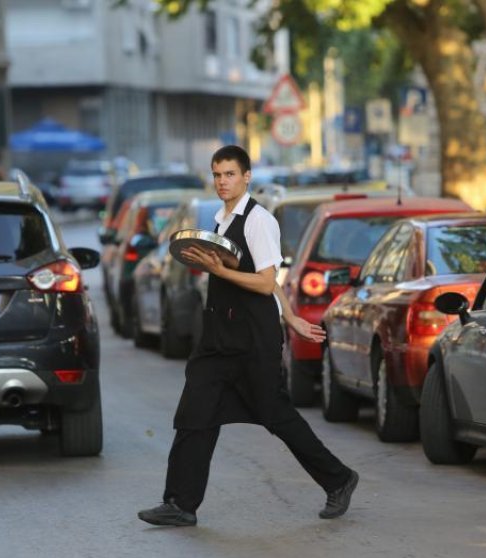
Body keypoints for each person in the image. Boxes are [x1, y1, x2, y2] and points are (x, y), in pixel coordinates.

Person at [138, 145, 358, 527]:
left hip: (253, 341)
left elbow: (266, 281)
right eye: (217, 174)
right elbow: (272, 286)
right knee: (194, 415)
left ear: (246, 176)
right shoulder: (223, 220)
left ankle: (339, 479)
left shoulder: (259, 220)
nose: (222, 182)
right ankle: (179, 503)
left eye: (229, 174)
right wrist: (290, 314)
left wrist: (224, 275)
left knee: (277, 416)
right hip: (218, 339)